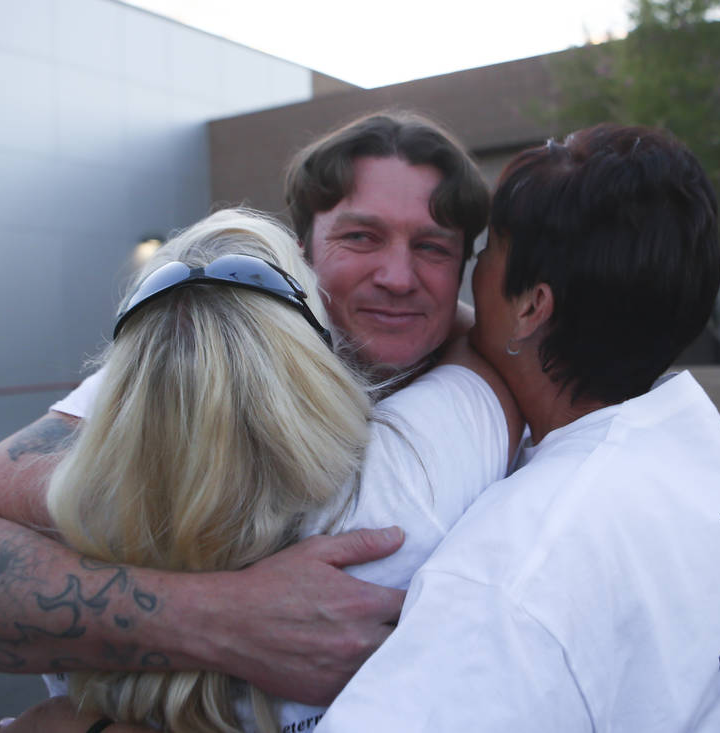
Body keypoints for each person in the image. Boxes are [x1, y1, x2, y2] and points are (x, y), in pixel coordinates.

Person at [0, 111, 720, 729]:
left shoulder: (497, 373)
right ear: (302, 249)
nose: (398, 275)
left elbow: (609, 467)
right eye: (362, 237)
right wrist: (222, 620)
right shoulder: (195, 371)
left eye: (437, 247)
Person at [313, 125, 720, 731]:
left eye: (486, 250)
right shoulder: (689, 432)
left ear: (533, 306)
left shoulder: (510, 578)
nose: (470, 275)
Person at [35, 207, 517, 732]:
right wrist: (417, 295)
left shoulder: (70, 540)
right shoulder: (402, 486)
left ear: (123, 385)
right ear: (308, 353)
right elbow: (493, 349)